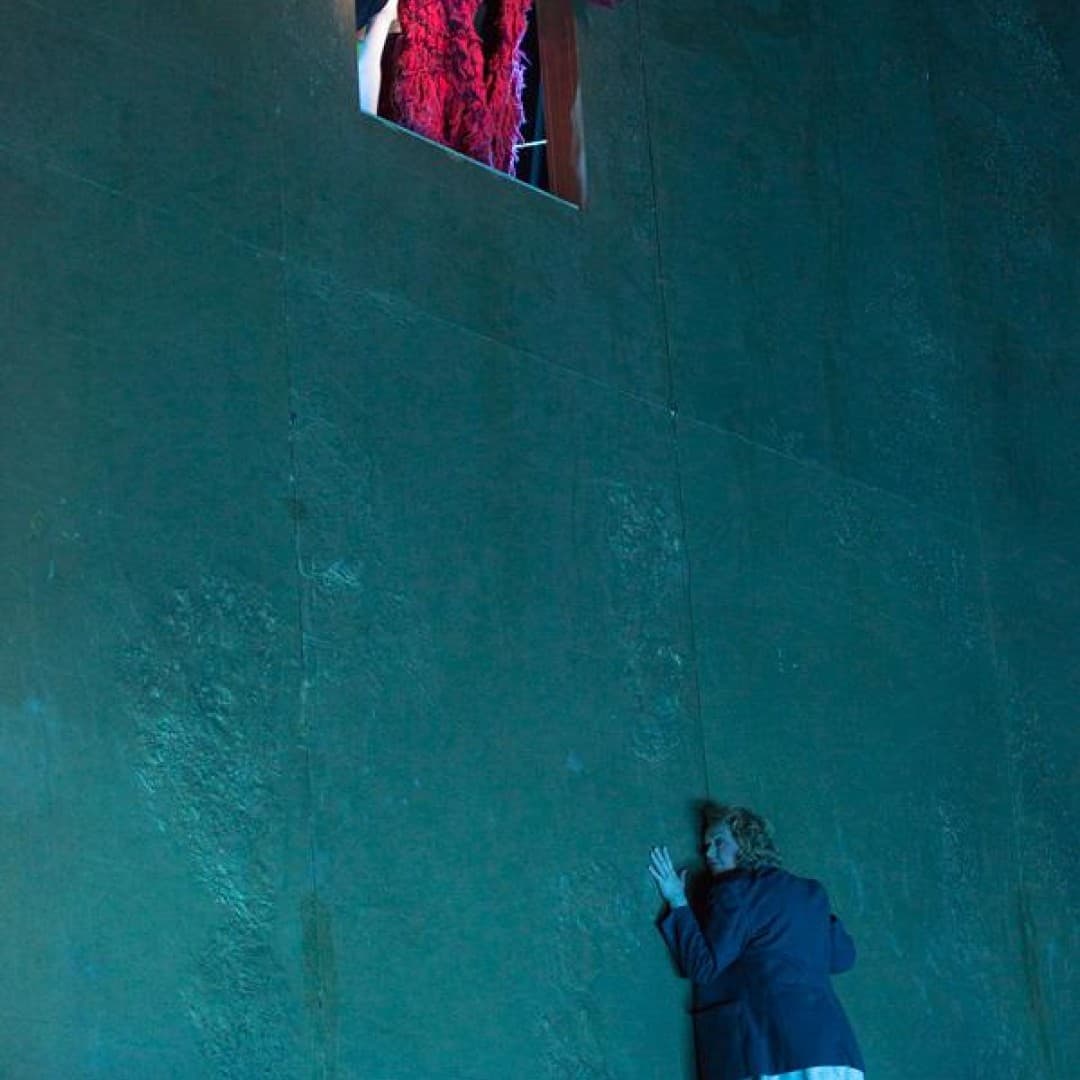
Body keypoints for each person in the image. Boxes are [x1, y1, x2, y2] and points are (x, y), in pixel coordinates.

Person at [649, 804, 865, 1080]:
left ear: (745, 841)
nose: (709, 853)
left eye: (719, 842)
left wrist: (678, 901)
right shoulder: (812, 893)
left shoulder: (736, 891)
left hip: (770, 1052)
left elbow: (703, 967)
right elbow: (844, 957)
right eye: (706, 846)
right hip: (833, 1052)